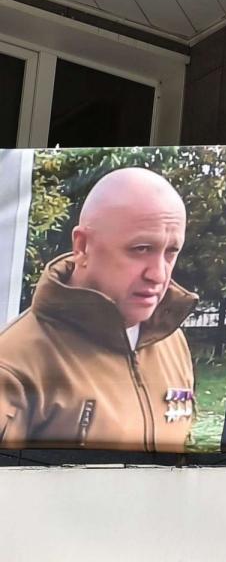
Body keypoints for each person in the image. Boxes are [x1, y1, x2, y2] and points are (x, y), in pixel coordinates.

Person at [0, 168, 198, 451]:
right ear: (83, 246)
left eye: (171, 252)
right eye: (141, 248)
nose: (158, 274)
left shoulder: (171, 341)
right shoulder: (14, 366)